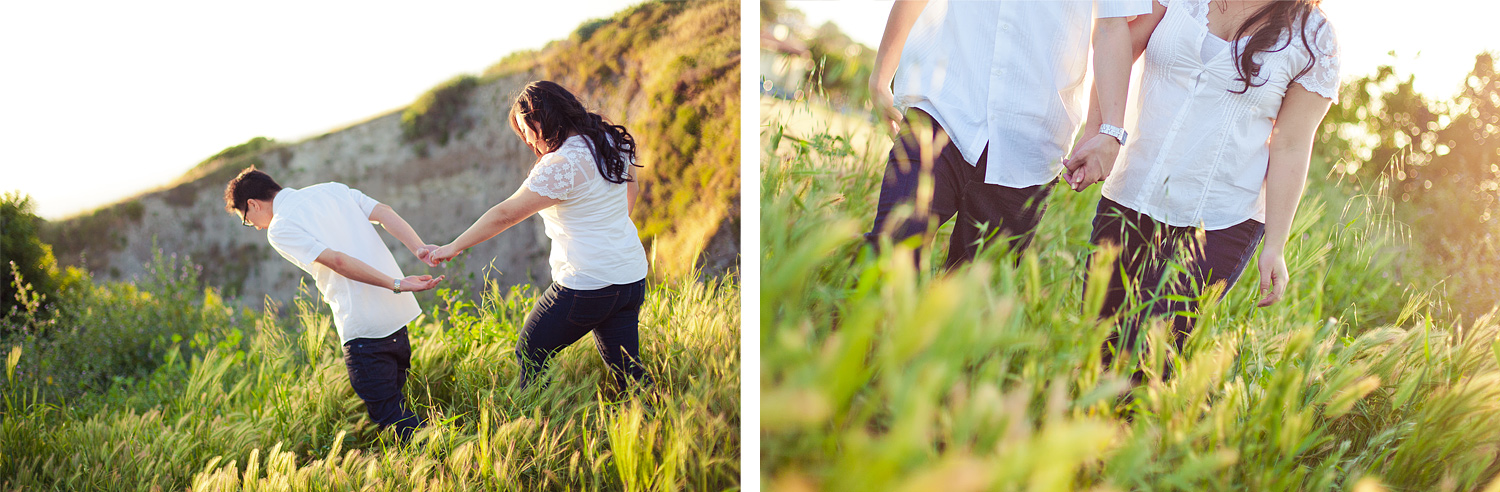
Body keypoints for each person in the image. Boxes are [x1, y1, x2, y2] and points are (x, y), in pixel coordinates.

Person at [1068, 0, 1340, 374]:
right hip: (1132, 194)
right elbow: (1120, 46)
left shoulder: (1313, 37)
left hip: (1220, 222)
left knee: (1147, 363)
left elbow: (1291, 144)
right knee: (1096, 347)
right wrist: (1098, 132)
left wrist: (1276, 244)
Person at [863, 0, 1152, 269]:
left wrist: (1108, 131)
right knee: (888, 256)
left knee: (972, 304)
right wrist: (881, 74)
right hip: (941, 104)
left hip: (1028, 144)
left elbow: (1112, 26)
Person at [424, 81, 651, 393]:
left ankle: (537, 425)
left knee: (530, 352)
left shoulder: (561, 165)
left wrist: (453, 246)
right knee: (629, 372)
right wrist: (607, 229)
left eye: (526, 129)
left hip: (588, 285)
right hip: (630, 275)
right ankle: (660, 416)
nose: (528, 141)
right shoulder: (610, 140)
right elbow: (632, 187)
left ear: (541, 120)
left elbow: (506, 214)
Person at [223, 168, 444, 440]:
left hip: (364, 329)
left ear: (253, 204)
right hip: (396, 321)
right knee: (400, 411)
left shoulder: (280, 227)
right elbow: (384, 212)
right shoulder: (331, 189)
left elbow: (337, 262)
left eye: (247, 220)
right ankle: (442, 455)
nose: (254, 226)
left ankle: (443, 459)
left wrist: (396, 284)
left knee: (395, 421)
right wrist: (419, 247)